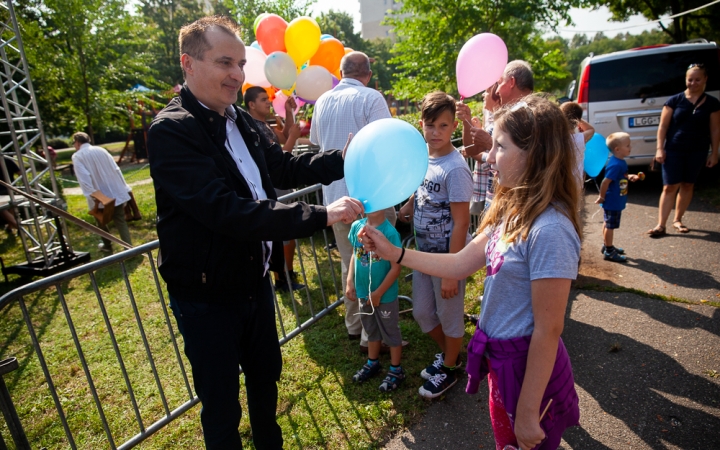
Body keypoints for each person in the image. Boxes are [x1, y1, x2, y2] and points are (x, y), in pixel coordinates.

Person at [146, 16, 363, 449]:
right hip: (206, 299)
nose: (238, 75)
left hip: (254, 283)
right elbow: (230, 213)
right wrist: (322, 215)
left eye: (241, 63)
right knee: (222, 403)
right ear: (188, 64)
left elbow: (283, 167)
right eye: (225, 62)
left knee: (266, 380)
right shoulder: (171, 130)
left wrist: (344, 156)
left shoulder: (240, 119)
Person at [360, 95, 582, 449]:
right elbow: (462, 261)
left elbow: (548, 329)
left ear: (535, 154)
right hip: (502, 361)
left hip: (526, 369)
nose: (489, 157)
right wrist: (394, 252)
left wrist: (527, 411)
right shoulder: (512, 210)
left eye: (500, 147)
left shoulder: (550, 229)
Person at [310, 51, 397, 351]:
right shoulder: (372, 99)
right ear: (368, 74)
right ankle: (370, 335)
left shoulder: (322, 101)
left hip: (335, 198)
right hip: (370, 197)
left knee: (352, 262)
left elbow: (316, 146)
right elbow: (385, 142)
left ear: (340, 71)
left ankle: (354, 325)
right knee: (375, 266)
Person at [397, 92, 472, 399]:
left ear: (453, 126)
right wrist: (409, 206)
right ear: (422, 125)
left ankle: (451, 369)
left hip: (447, 258)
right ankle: (452, 356)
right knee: (424, 313)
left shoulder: (455, 168)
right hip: (423, 255)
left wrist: (453, 271)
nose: (436, 132)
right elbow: (421, 188)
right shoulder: (424, 157)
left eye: (443, 126)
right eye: (431, 125)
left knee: (449, 316)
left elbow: (462, 222)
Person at [648, 63, 720, 237]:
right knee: (669, 187)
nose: (693, 83)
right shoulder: (674, 101)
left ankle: (678, 220)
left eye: (697, 79)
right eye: (690, 79)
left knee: (688, 185)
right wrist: (659, 149)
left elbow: (715, 130)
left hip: (698, 151)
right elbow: (663, 127)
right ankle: (661, 225)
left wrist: (714, 153)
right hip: (673, 150)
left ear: (705, 80)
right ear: (685, 80)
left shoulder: (712, 103)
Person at [244, 86, 304, 291]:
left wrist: (288, 112)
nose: (268, 103)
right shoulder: (252, 128)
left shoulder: (264, 124)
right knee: (282, 232)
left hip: (281, 186)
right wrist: (294, 139)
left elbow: (284, 134)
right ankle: (282, 278)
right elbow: (277, 162)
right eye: (263, 100)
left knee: (289, 232)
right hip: (273, 186)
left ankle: (287, 272)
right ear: (251, 104)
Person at [456, 60, 534, 208]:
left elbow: (533, 158)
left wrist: (489, 142)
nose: (496, 91)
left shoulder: (535, 115)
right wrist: (466, 120)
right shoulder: (504, 116)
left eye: (499, 83)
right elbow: (473, 149)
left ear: (511, 82)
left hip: (523, 203)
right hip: (498, 201)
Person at [346, 209, 404, 392]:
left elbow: (396, 268)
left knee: (390, 331)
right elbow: (355, 255)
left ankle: (396, 370)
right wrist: (349, 281)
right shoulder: (357, 226)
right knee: (370, 329)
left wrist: (379, 293)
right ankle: (373, 362)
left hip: (384, 296)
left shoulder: (390, 233)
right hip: (364, 293)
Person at [71, 132, 133, 253]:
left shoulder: (77, 156)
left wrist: (93, 196)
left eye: (74, 143)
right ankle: (128, 247)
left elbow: (84, 178)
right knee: (119, 220)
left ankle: (108, 245)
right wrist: (123, 188)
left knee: (101, 221)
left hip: (99, 195)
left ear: (77, 142)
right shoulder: (101, 150)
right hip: (115, 191)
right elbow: (116, 169)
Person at [594, 132, 641, 262]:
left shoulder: (619, 162)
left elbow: (619, 177)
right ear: (617, 149)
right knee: (610, 225)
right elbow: (605, 181)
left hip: (615, 199)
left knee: (607, 223)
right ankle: (609, 251)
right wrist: (602, 197)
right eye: (627, 145)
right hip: (612, 200)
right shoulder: (616, 164)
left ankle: (607, 245)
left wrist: (628, 176)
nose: (630, 147)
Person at [559, 101, 595, 191]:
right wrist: (578, 119)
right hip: (576, 182)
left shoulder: (556, 139)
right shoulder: (579, 139)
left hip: (560, 183)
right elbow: (591, 129)